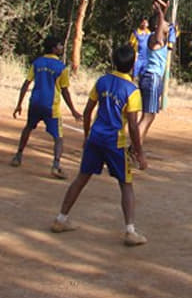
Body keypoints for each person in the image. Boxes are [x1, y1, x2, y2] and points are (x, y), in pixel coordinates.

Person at [51, 44, 149, 246]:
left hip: (96, 138)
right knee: (126, 184)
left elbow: (88, 112)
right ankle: (130, 231)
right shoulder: (132, 91)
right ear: (132, 66)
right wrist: (139, 152)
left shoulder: (102, 81)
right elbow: (133, 125)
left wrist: (87, 135)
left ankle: (61, 219)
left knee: (81, 178)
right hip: (115, 142)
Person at [11, 35, 81, 179]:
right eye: (60, 45)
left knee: (28, 128)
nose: (62, 47)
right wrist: (73, 110)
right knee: (58, 138)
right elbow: (65, 91)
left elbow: (26, 84)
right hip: (51, 107)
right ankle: (56, 165)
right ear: (54, 48)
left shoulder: (37, 63)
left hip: (35, 103)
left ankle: (18, 155)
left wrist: (19, 104)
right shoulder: (61, 68)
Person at [137, 0, 170, 142]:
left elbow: (160, 23)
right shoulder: (156, 40)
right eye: (165, 23)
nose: (167, 25)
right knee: (147, 116)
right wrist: (160, 13)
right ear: (158, 26)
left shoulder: (154, 36)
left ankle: (136, 147)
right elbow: (160, 24)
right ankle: (134, 147)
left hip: (149, 78)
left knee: (148, 116)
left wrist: (163, 10)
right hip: (152, 78)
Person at [129, 16, 151, 82]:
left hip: (146, 57)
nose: (144, 24)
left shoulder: (149, 33)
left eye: (146, 22)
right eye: (143, 22)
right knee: (134, 73)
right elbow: (131, 44)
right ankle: (132, 84)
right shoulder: (136, 33)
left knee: (143, 75)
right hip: (137, 57)